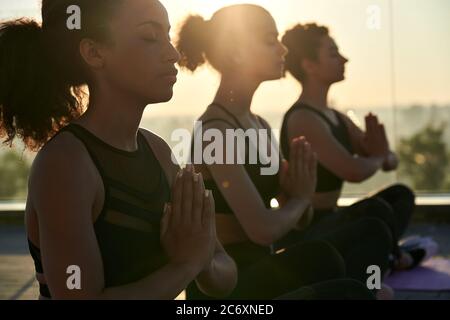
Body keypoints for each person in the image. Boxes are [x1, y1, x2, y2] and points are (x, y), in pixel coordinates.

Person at [0, 0, 237, 299]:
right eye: (150, 37)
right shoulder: (65, 165)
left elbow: (225, 271)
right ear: (94, 53)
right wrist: (187, 264)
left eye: (167, 36)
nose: (172, 54)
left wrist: (201, 260)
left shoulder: (158, 151)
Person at [176, 4, 390, 299]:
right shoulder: (216, 131)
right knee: (331, 265)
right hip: (228, 287)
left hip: (263, 265)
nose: (282, 50)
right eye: (269, 40)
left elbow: (298, 218)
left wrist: (296, 194)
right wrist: (300, 198)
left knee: (368, 232)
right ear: (236, 51)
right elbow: (261, 230)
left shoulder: (259, 124)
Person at [280, 23, 419, 270]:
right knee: (375, 210)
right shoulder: (303, 119)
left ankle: (387, 256)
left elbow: (389, 162)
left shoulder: (335, 116)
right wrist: (379, 156)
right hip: (308, 230)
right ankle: (391, 258)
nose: (344, 59)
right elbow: (354, 170)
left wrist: (380, 155)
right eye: (333, 54)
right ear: (309, 65)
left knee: (401, 195)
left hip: (332, 218)